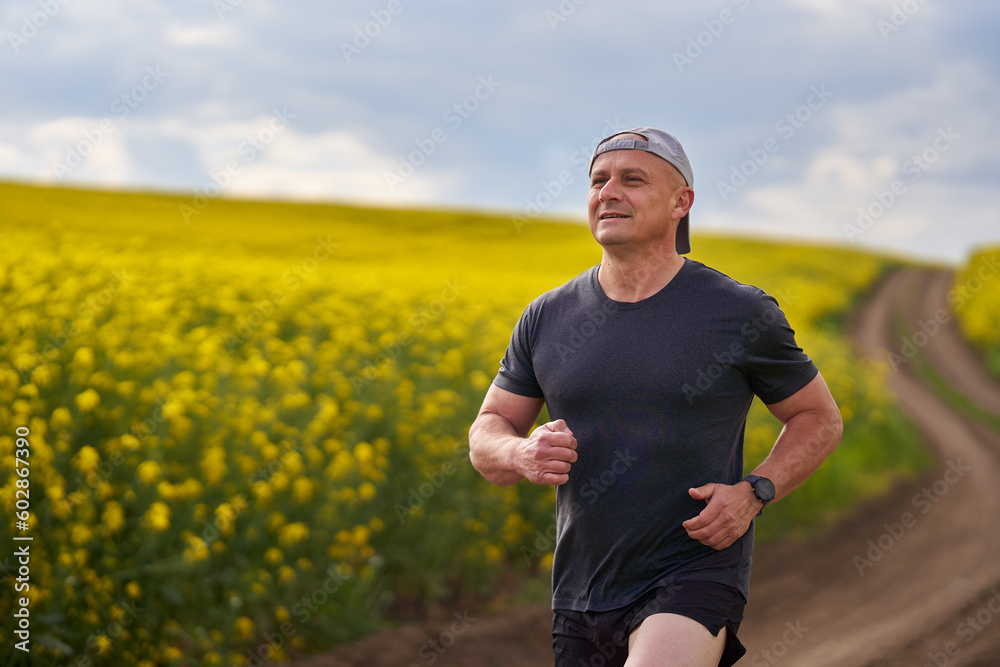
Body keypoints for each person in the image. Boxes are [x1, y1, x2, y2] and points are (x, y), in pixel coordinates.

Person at [468, 127, 843, 667]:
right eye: (599, 180)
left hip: (693, 569)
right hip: (582, 587)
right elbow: (488, 431)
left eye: (632, 179)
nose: (609, 191)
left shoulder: (738, 312)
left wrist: (755, 491)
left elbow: (818, 417)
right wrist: (519, 453)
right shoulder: (547, 316)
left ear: (681, 202)